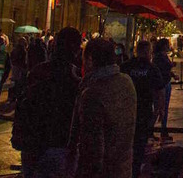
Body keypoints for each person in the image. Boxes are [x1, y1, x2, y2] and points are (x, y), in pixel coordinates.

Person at [13, 27, 81, 178]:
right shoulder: (75, 76)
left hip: (31, 143)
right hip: (58, 144)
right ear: (75, 49)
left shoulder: (38, 71)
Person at [69, 38, 137, 178]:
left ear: (90, 59)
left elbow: (92, 147)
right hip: (123, 168)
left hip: (103, 171)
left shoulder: (93, 93)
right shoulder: (127, 82)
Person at [122, 41, 166, 178]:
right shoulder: (151, 68)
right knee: (139, 143)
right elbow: (160, 90)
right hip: (143, 111)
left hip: (126, 110)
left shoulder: (126, 66)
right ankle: (134, 170)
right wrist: (160, 108)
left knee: (126, 143)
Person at [153, 39, 178, 142]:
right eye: (168, 45)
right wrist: (171, 66)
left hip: (164, 83)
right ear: (164, 46)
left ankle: (162, 129)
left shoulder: (161, 55)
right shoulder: (159, 56)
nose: (169, 46)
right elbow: (162, 69)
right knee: (160, 108)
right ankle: (157, 130)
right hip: (161, 85)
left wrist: (172, 74)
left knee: (162, 108)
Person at [9, 38, 28, 104]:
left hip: (15, 67)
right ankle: (17, 96)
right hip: (20, 68)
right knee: (19, 83)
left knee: (14, 82)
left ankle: (11, 97)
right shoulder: (23, 50)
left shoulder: (15, 49)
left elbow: (11, 57)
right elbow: (24, 60)